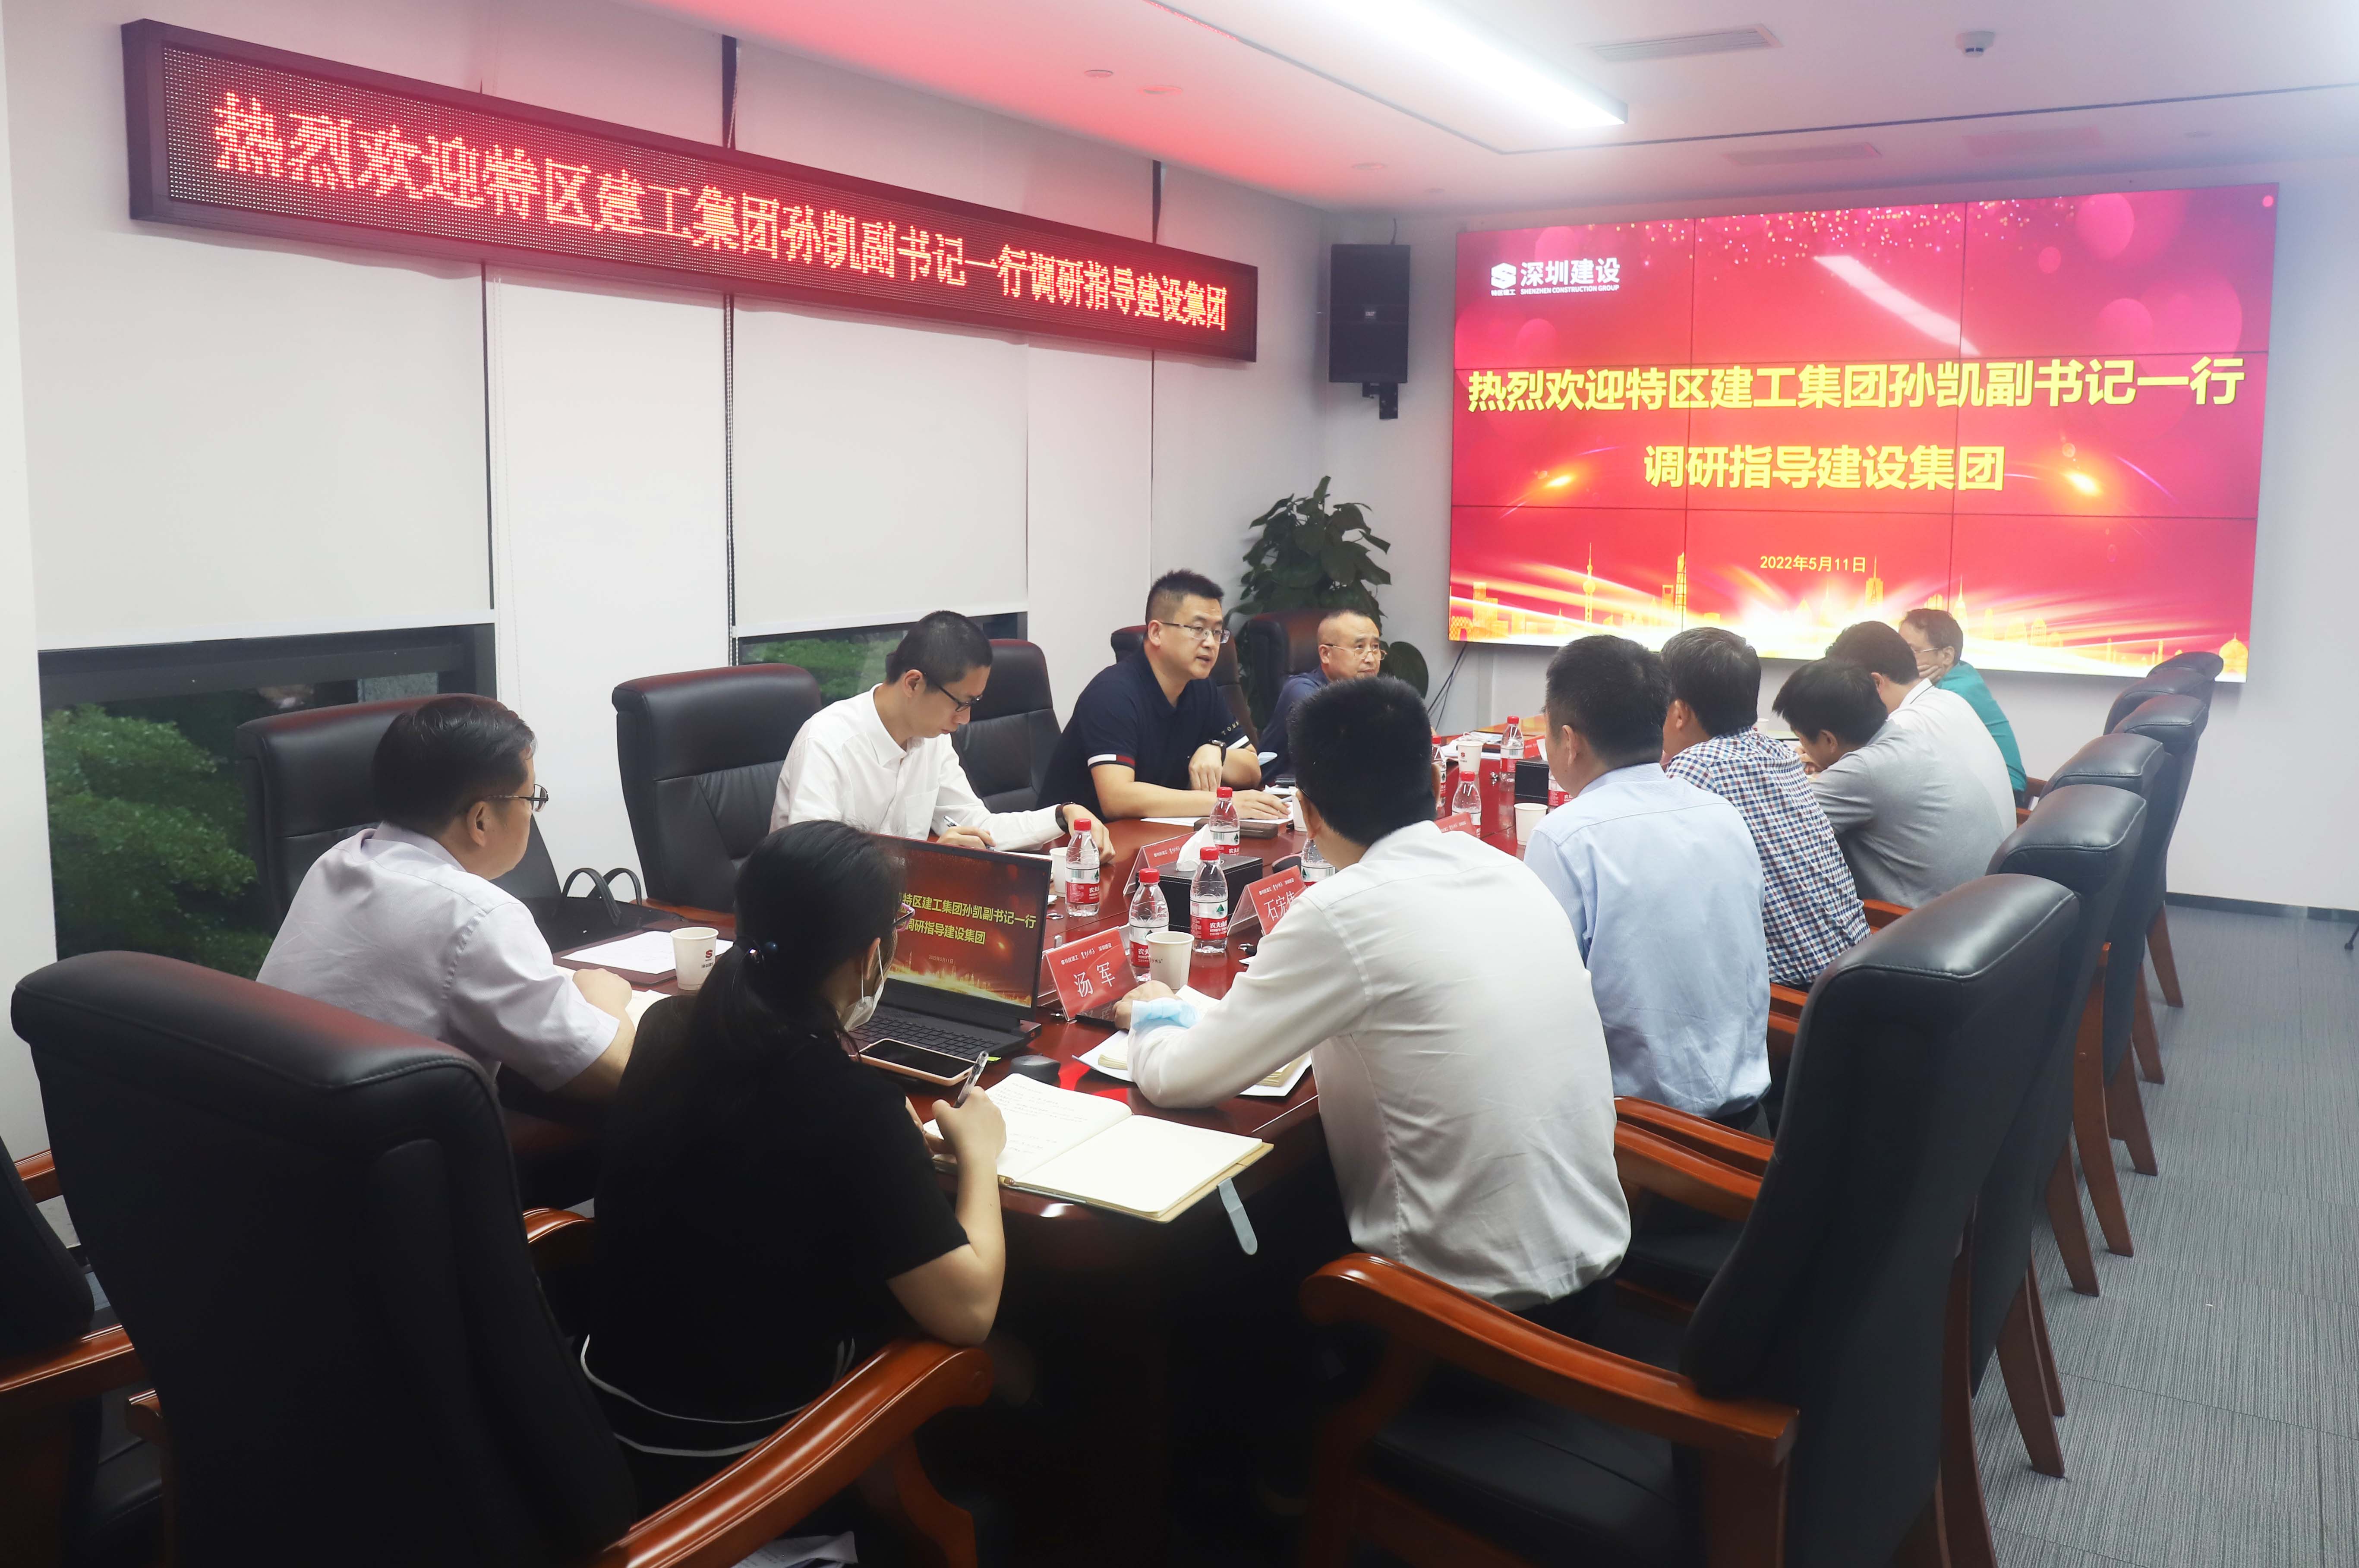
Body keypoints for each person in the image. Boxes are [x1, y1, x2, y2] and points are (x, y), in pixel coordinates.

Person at [1116, 675, 1629, 1328]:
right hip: (1596, 1281)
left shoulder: (1341, 911)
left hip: (1459, 1321)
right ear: (1436, 782)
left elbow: (1179, 1078)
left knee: (1228, 1272)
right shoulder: (1509, 871)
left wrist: (1155, 1012)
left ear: (1308, 814)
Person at [585, 821, 1008, 1503]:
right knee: (1013, 1360)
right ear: (870, 955)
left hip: (605, 1422)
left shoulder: (666, 1029)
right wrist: (979, 1151)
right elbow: (970, 1309)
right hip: (742, 1466)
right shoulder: (851, 1105)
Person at [258, 695, 634, 1102]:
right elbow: (614, 1075)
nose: (532, 813)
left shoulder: (337, 861)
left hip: (284, 1122)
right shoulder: (477, 914)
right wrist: (604, 998)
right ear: (480, 820)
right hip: (395, 1135)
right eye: (532, 799)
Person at [1523, 636, 1770, 1122]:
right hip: (1749, 1121)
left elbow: (1542, 1002)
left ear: (1570, 742)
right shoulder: (1722, 813)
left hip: (1641, 1134)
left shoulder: (1567, 836)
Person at [771, 609, 1111, 856]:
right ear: (913, 683)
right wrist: (928, 861)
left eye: (974, 703)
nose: (965, 719)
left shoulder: (932, 741)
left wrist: (1063, 814)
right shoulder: (827, 743)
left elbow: (979, 826)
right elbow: (816, 868)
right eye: (961, 703)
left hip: (899, 915)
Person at [1660, 628, 1868, 989]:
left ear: (1679, 714)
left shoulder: (1697, 768)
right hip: (1854, 967)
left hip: (1793, 997)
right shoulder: (1774, 751)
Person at [1040, 569, 1290, 823]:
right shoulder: (1112, 694)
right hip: (1074, 842)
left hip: (1153, 836)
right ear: (1156, 633)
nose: (1211, 643)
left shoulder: (1200, 688)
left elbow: (1252, 770)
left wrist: (1218, 752)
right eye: (1198, 629)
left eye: (1217, 632)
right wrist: (1224, 803)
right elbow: (1117, 798)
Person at [1773, 658, 2008, 908]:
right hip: (1983, 912)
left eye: (1802, 739)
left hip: (1921, 924)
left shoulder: (1864, 770)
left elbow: (1775, 826)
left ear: (1829, 740)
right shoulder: (1910, 740)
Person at [1826, 621, 2017, 840]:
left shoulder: (1904, 726)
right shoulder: (1948, 698)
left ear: (1876, 683)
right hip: (1995, 847)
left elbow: (1853, 787)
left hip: (1973, 850)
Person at [1899, 606, 2027, 800]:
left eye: (1911, 651)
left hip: (2002, 793)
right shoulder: (1957, 673)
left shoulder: (1957, 692)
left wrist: (1911, 688)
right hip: (1977, 785)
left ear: (1947, 656)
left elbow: (1906, 740)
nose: (1899, 659)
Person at [1259, 608, 1384, 781]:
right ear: (1326, 654)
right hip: (1279, 792)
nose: (1371, 659)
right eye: (1359, 648)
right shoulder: (1302, 691)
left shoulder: (1373, 693)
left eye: (1375, 647)